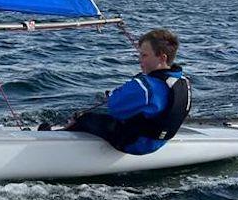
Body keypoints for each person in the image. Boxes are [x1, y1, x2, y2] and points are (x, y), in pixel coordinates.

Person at [60, 29, 191, 155]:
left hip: (135, 144)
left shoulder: (146, 87)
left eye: (144, 55)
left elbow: (114, 106)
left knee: (84, 118)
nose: (139, 59)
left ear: (162, 58)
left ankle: (57, 134)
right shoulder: (183, 81)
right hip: (160, 141)